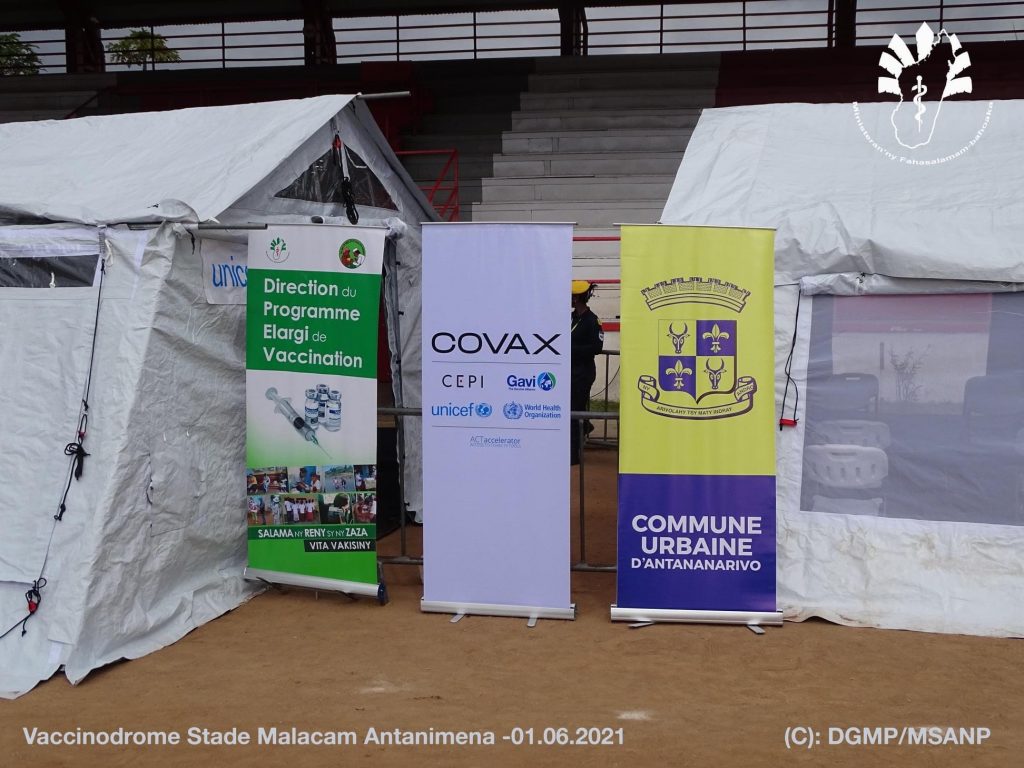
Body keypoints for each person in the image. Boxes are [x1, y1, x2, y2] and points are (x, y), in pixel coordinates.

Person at [571, 280, 604, 465]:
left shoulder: (592, 320)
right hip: (569, 372)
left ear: (576, 298)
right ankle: (585, 426)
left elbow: (596, 347)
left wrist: (571, 350)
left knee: (574, 412)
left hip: (582, 374)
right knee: (574, 409)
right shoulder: (571, 318)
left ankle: (573, 455)